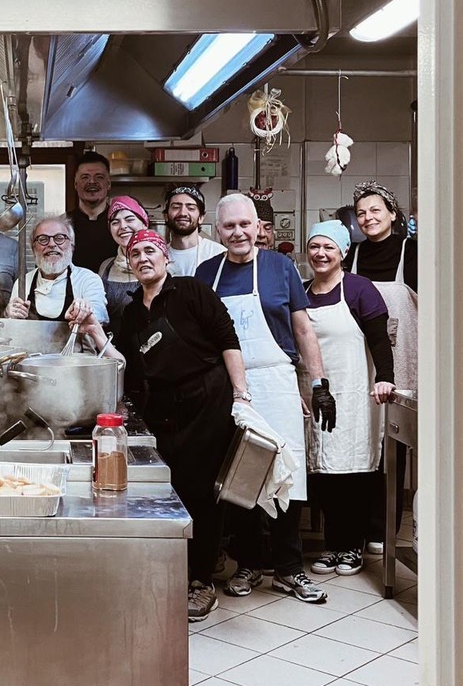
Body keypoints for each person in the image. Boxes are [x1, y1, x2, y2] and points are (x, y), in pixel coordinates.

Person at [74, 228, 246, 623]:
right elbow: (129, 364)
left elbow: (228, 341)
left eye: (150, 251)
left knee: (203, 492)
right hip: (165, 408)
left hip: (207, 399)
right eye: (135, 255)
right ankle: (177, 573)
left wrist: (241, 395)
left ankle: (201, 582)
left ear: (166, 257)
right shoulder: (133, 310)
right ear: (129, 265)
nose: (142, 259)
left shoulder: (192, 291)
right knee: (173, 491)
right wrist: (95, 332)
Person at [197, 192, 336, 604]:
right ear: (217, 231)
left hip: (276, 380)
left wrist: (319, 384)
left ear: (259, 227)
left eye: (245, 225)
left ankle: (289, 569)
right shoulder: (207, 274)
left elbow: (303, 331)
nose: (238, 232)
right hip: (229, 388)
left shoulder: (281, 268)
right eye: (229, 226)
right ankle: (248, 565)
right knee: (242, 478)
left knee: (287, 475)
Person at [299, 221, 395, 576]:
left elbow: (379, 341)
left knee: (351, 470)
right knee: (321, 470)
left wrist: (385, 378)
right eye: (314, 247)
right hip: (314, 393)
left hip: (354, 393)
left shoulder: (360, 289)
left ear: (343, 253)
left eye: (329, 248)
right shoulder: (302, 291)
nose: (320, 254)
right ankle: (332, 545)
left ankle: (350, 547)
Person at [348, 180, 418, 553]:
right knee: (364, 439)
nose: (368, 217)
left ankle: (384, 527)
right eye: (361, 213)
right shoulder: (354, 255)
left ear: (392, 214)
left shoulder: (412, 250)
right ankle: (357, 526)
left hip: (403, 359)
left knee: (394, 441)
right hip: (362, 358)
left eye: (375, 210)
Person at [6, 214, 109, 325]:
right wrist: (9, 314)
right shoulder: (23, 283)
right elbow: (14, 329)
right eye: (43, 239)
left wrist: (87, 311)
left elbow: (100, 316)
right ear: (33, 248)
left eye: (59, 238)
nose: (51, 244)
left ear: (72, 245)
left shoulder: (87, 279)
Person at [97, 195, 148, 334]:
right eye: (115, 222)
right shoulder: (106, 267)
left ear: (144, 223)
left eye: (130, 219)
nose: (123, 227)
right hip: (109, 349)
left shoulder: (163, 265)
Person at [67, 151, 118, 271]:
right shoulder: (64, 224)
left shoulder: (121, 224)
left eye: (99, 177)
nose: (92, 182)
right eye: (85, 177)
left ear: (109, 184)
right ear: (75, 184)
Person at [162, 185, 225, 275]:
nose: (183, 213)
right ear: (166, 216)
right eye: (176, 207)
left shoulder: (217, 254)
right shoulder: (159, 257)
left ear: (201, 218)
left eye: (191, 208)